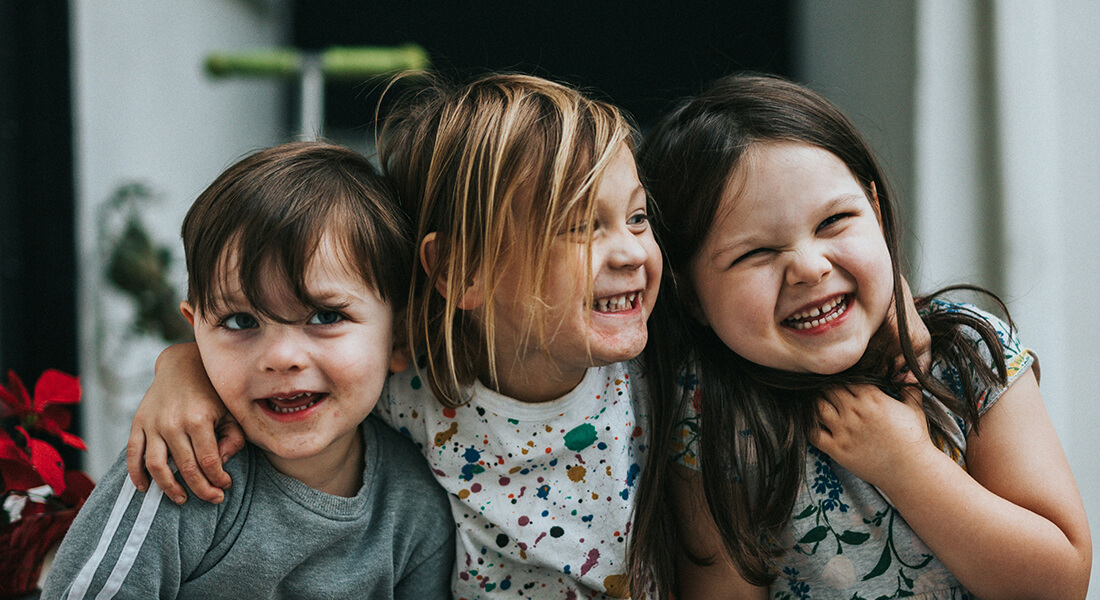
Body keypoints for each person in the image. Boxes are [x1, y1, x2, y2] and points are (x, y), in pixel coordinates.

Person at [123, 74, 662, 599]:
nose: (631, 252)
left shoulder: (663, 379)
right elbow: (295, 360)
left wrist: (180, 366)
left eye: (637, 217)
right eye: (578, 226)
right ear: (462, 270)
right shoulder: (409, 389)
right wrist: (185, 367)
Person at [628, 73, 1091, 599]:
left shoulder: (967, 356)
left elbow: (1059, 585)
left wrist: (908, 465)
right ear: (690, 296)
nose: (808, 267)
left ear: (876, 210)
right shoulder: (709, 411)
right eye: (755, 253)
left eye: (834, 221)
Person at [42, 142, 455, 599]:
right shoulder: (182, 469)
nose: (280, 357)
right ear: (196, 333)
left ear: (399, 338)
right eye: (242, 321)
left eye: (325, 316)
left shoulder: (415, 511)